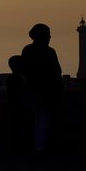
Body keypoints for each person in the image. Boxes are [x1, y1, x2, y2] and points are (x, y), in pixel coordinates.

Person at [21, 23, 63, 154]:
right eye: (47, 33)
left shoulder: (27, 50)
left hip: (32, 90)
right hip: (46, 91)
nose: (50, 36)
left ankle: (36, 147)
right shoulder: (49, 52)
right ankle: (41, 148)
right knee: (44, 119)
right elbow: (57, 71)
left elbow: (24, 69)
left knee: (36, 119)